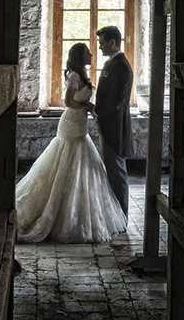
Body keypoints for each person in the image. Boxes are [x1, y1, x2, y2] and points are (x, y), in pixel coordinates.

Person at [15, 42, 127, 243]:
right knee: (66, 163)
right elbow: (68, 102)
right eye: (87, 53)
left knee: (83, 168)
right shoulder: (75, 76)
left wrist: (89, 108)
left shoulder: (81, 75)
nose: (91, 54)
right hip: (71, 123)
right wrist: (88, 106)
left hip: (80, 124)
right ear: (79, 56)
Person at [94, 25, 134, 218]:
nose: (100, 47)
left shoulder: (121, 65)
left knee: (117, 175)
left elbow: (116, 100)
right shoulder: (113, 63)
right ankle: (116, 215)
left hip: (115, 128)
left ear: (112, 42)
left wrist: (97, 111)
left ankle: (122, 217)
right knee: (112, 172)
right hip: (109, 126)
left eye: (102, 43)